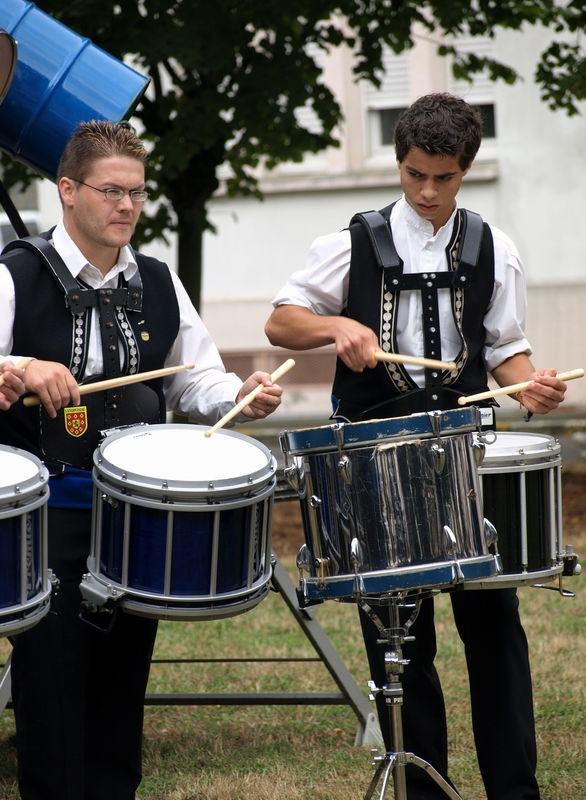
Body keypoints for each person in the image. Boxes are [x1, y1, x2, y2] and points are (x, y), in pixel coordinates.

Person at [265, 93, 567, 800]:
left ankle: (513, 789)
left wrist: (528, 389)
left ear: (466, 169)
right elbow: (282, 323)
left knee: (495, 631)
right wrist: (335, 327)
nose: (427, 192)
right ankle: (425, 789)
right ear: (399, 163)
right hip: (375, 459)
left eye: (444, 178)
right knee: (402, 641)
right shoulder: (349, 243)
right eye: (413, 175)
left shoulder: (496, 246)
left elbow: (507, 351)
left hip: (464, 455)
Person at [0, 119, 283, 800]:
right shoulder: (13, 277)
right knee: (53, 685)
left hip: (137, 514)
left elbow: (192, 379)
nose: (126, 206)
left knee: (121, 686)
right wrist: (22, 367)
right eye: (110, 191)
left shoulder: (156, 280)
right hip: (45, 513)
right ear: (68, 190)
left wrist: (240, 394)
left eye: (137, 194)